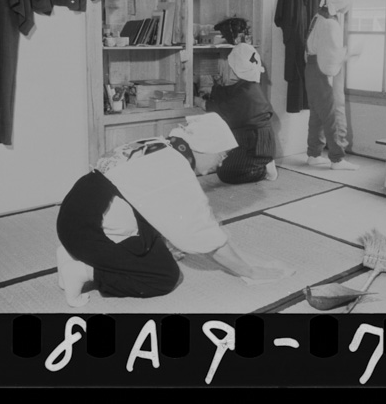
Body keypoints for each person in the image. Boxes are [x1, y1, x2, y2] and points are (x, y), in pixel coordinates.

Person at [56, 112, 293, 307]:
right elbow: (203, 234)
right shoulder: (174, 167)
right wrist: (250, 271)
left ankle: (69, 253)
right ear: (205, 147)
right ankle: (84, 271)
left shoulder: (162, 146)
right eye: (222, 154)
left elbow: (153, 204)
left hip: (77, 215)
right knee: (163, 276)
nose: (223, 161)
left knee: (161, 254)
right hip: (87, 230)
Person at [197, 42, 278, 184]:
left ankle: (263, 169)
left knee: (226, 173)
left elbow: (216, 108)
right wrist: (213, 89)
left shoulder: (243, 94)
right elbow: (228, 92)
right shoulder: (250, 86)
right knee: (225, 165)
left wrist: (196, 101)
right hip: (260, 141)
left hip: (256, 144)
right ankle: (261, 162)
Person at [304, 0, 361, 171]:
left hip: (312, 69)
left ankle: (314, 154)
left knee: (317, 115)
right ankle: (337, 158)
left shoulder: (318, 17)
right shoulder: (330, 24)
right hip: (325, 72)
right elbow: (331, 58)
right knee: (334, 113)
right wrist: (349, 54)